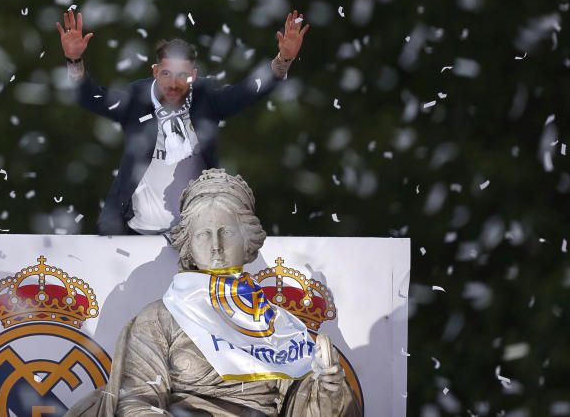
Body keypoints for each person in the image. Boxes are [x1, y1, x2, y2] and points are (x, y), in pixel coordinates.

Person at [65, 169, 362, 417]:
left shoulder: (279, 325)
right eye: (203, 234)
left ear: (248, 241)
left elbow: (309, 409)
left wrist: (329, 388)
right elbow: (136, 404)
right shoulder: (158, 319)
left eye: (227, 232)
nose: (216, 246)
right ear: (188, 245)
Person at [57, 9, 309, 235]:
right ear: (155, 71)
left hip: (195, 235)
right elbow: (92, 98)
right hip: (132, 230)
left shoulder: (206, 100)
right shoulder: (137, 100)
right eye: (166, 74)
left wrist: (282, 60)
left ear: (193, 76)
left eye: (182, 76)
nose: (173, 83)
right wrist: (74, 61)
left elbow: (248, 91)